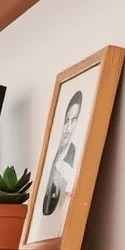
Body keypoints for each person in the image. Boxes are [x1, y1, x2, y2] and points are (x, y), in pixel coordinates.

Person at [42, 89, 82, 217]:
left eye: (73, 120)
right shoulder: (52, 154)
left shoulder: (73, 153)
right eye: (66, 120)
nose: (67, 128)